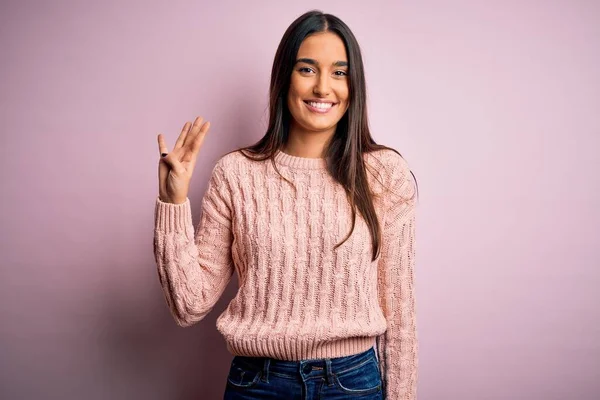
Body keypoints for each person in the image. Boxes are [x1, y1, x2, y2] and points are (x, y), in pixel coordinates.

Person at [154, 9, 419, 400]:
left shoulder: (383, 173)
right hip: (257, 384)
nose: (323, 88)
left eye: (340, 73)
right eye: (307, 69)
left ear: (354, 85)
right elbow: (189, 305)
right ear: (284, 79)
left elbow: (399, 314)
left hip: (353, 384)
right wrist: (172, 200)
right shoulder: (235, 174)